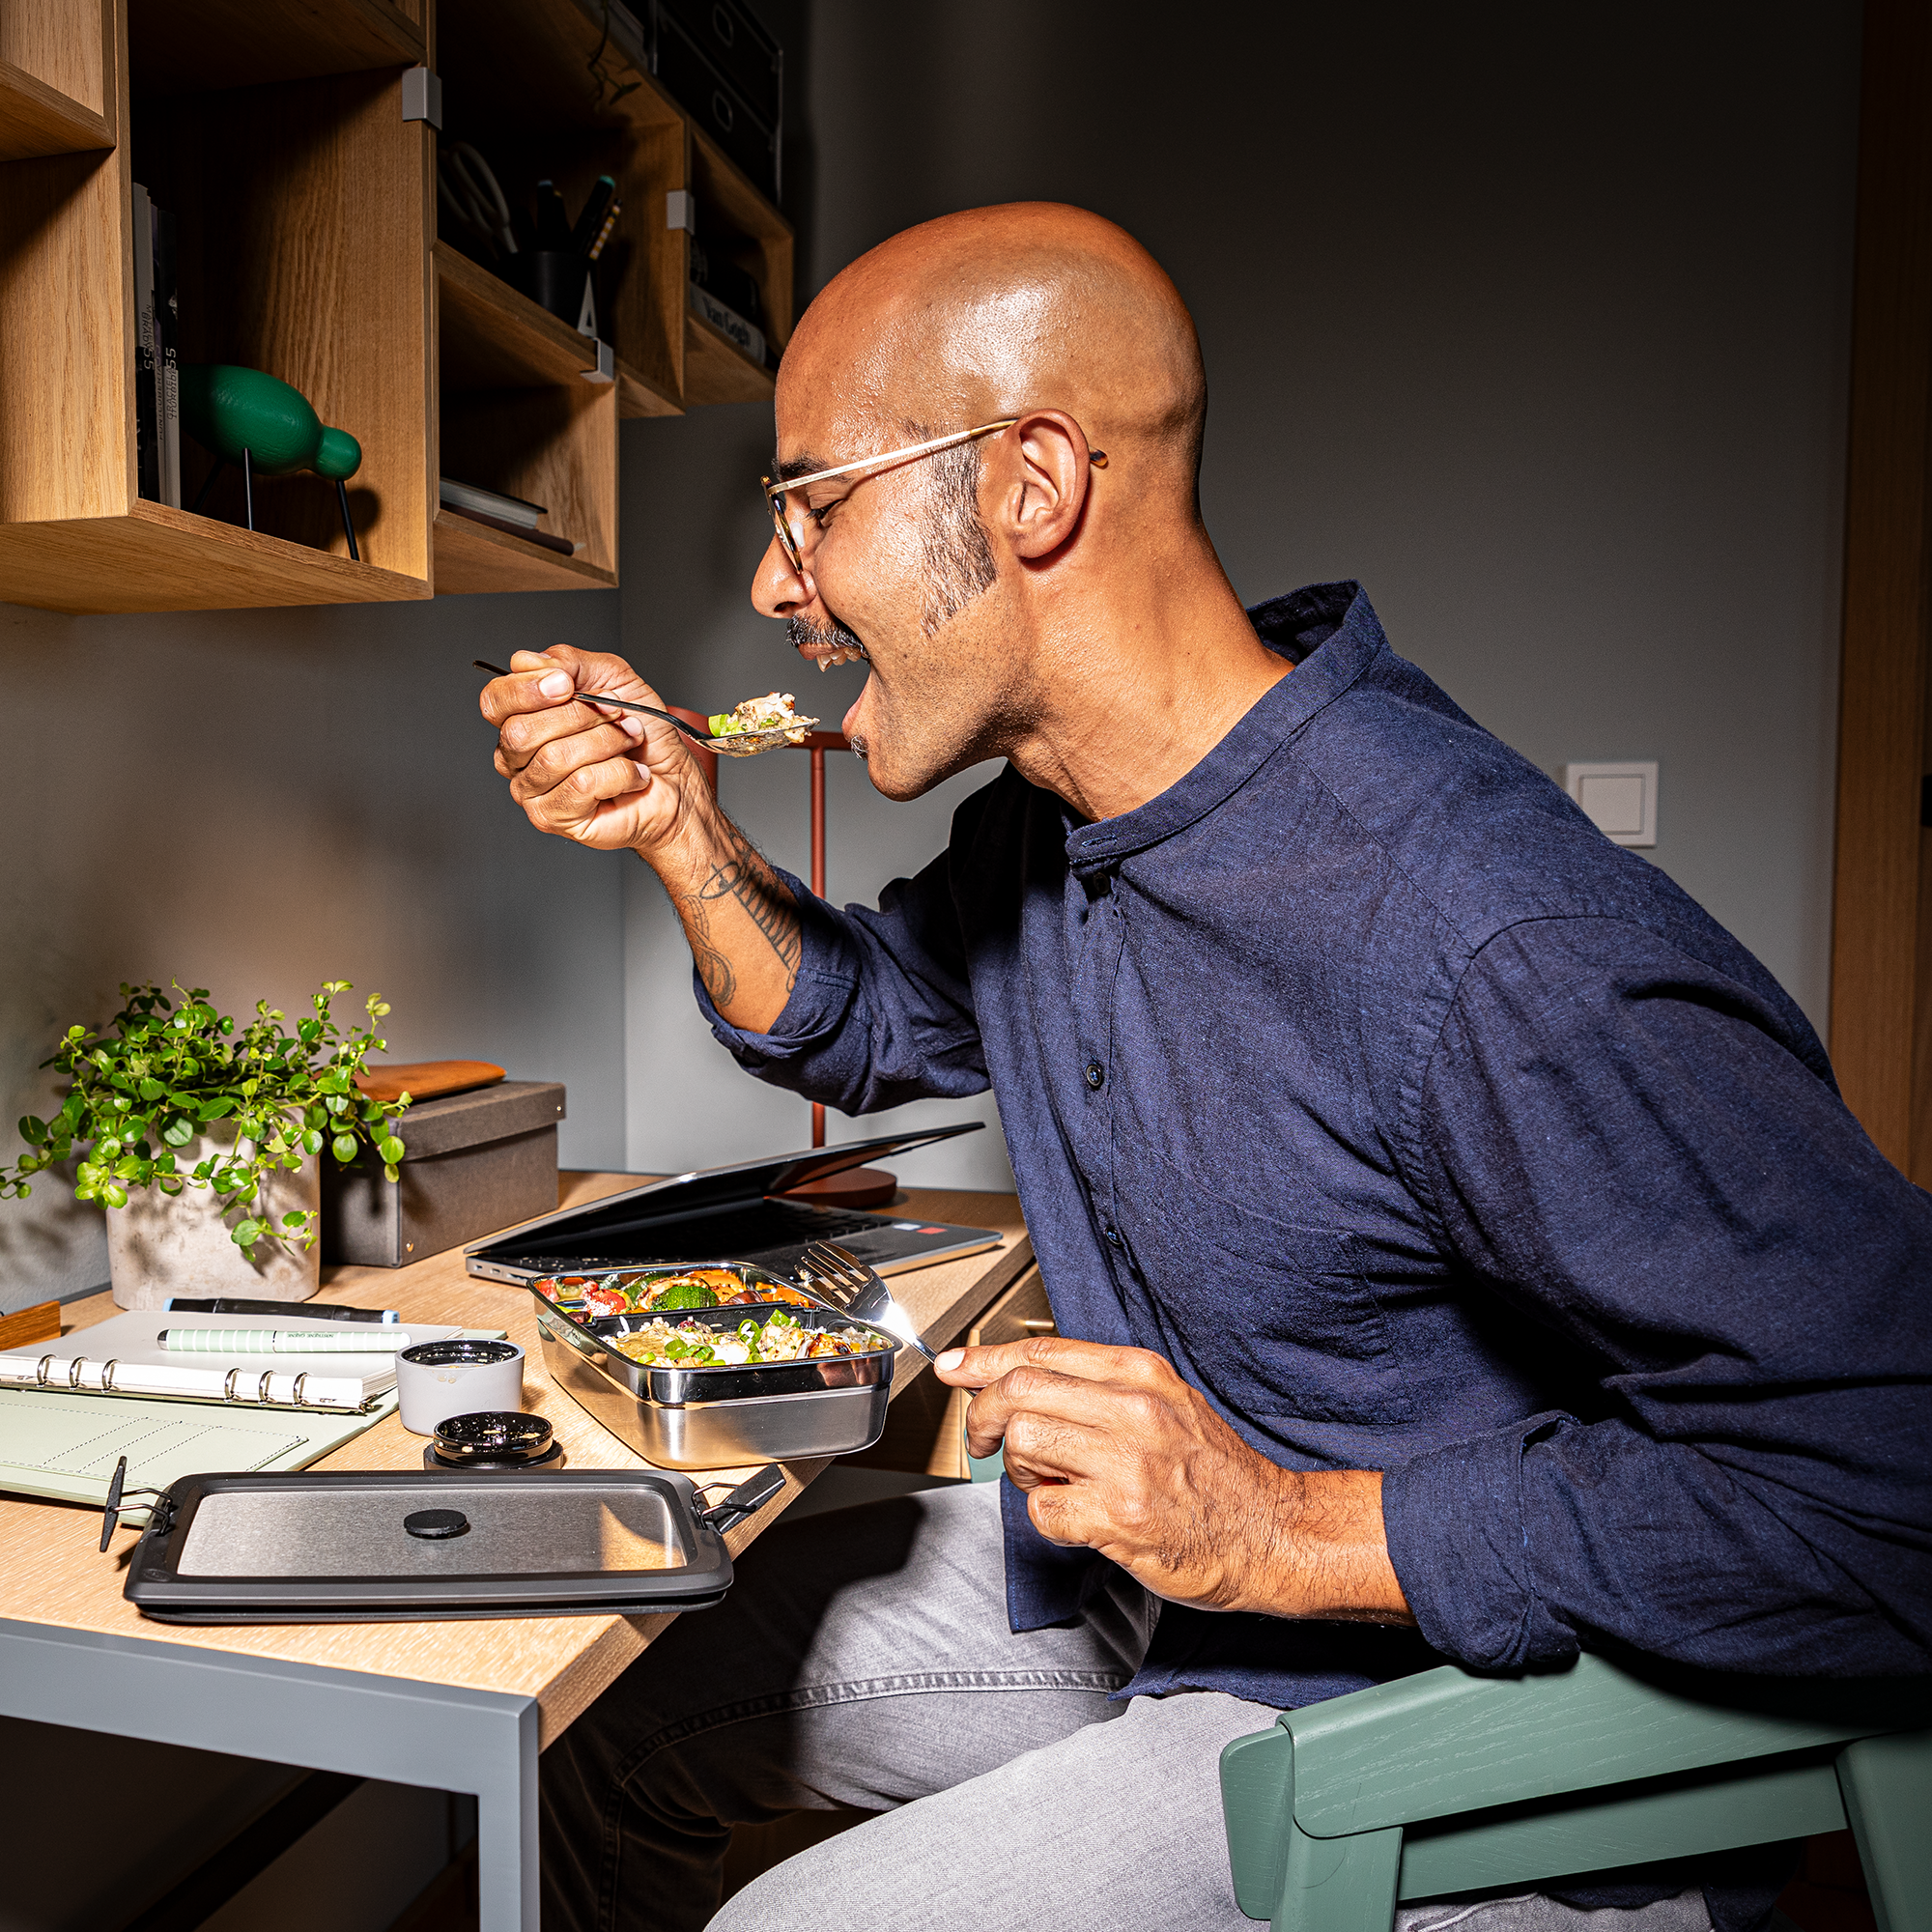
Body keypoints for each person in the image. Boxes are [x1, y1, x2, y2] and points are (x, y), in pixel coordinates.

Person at [479, 204, 1932, 1932]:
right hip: (1172, 1609)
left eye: (811, 507)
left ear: (1030, 484)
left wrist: (1282, 1530)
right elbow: (863, 1016)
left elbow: (1894, 1485)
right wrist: (682, 834)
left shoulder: (1481, 928)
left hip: (1458, 1727)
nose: (772, 582)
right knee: (592, 1715)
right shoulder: (1059, 835)